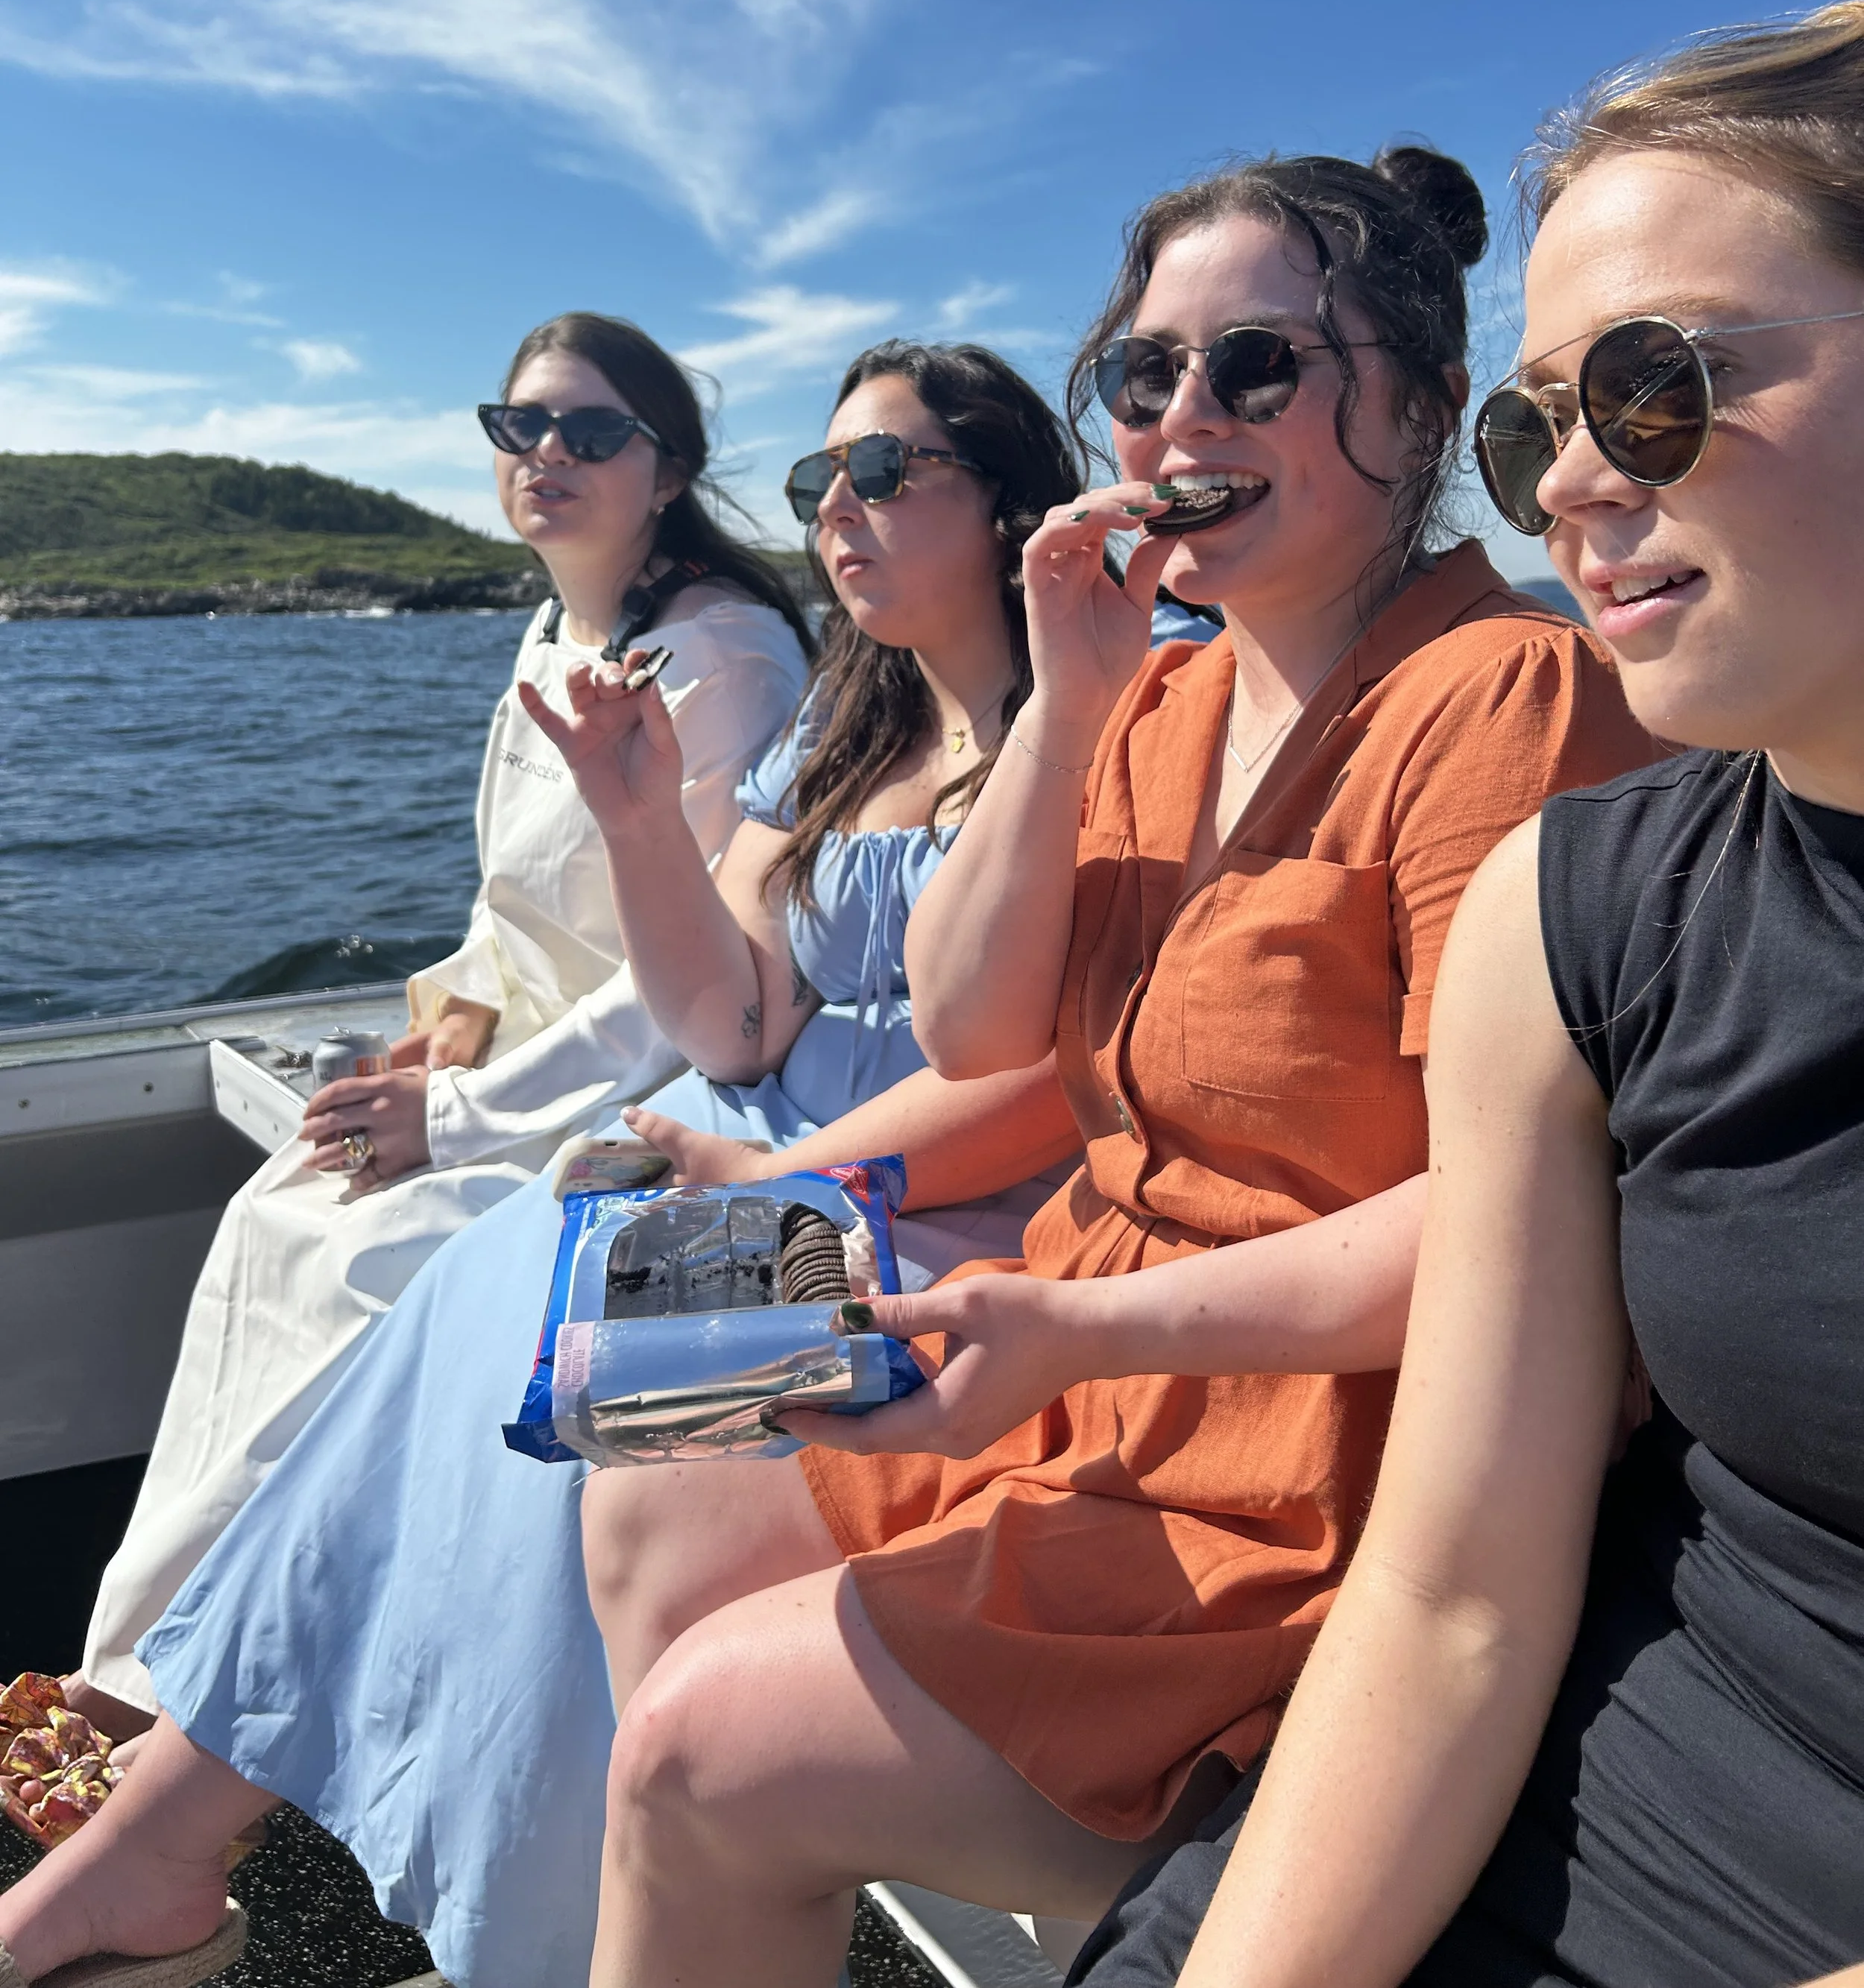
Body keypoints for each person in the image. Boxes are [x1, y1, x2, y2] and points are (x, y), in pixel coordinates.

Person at [560, 146, 1657, 1987]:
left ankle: (766, 1834)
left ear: (1419, 402)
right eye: (1140, 378)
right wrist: (1068, 699)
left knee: (697, 1752)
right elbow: (981, 1026)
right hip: (1085, 1366)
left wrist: (1078, 1340)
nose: (1178, 418)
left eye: (1254, 368)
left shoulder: (1503, 702)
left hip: (1312, 1464)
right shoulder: (1154, 691)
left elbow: (1512, 1237)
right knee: (648, 1485)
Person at [0, 341, 1086, 1988]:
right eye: (819, 486)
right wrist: (641, 816)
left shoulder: (1087, 732)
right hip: (771, 1170)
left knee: (566, 1367)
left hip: (922, 1221)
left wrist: (766, 1182)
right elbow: (726, 1020)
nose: (837, 516)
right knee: (473, 1303)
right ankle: (165, 1841)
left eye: (884, 475)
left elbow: (1046, 1074)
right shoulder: (849, 732)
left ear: (1006, 498)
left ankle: (487, 1929)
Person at [1070, 5, 1864, 1988]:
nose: (1577, 483)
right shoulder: (1587, 911)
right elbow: (1448, 1600)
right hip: (1581, 1781)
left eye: (1656, 385)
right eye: (1540, 426)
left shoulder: (1483, 716)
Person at [74, 309, 811, 1732]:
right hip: (517, 1074)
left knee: (370, 1262)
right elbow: (510, 911)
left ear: (669, 471)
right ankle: (133, 1669)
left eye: (593, 432)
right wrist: (441, 1034)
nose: (547, 453)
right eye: (520, 426)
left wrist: (456, 1113)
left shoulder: (724, 659)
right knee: (275, 1214)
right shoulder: (554, 626)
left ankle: (178, 1710)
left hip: (651, 1091)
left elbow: (688, 972)